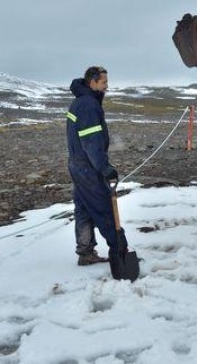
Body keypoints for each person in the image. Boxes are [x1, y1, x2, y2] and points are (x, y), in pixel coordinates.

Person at [65, 66, 120, 266]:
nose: (107, 86)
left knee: (83, 209)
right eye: (104, 82)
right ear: (93, 82)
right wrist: (104, 168)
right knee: (103, 208)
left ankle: (85, 251)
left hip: (77, 165)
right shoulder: (88, 106)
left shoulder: (79, 102)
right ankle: (119, 250)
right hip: (88, 168)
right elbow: (91, 143)